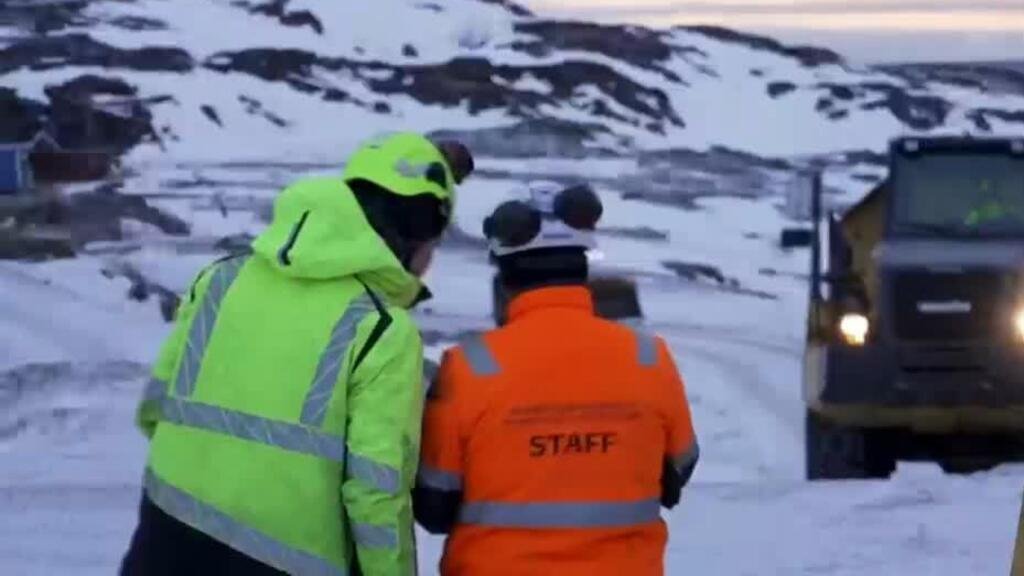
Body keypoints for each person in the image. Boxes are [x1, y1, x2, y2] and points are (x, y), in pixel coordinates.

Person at [119, 132, 474, 576]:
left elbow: (154, 408)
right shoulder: (379, 329)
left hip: (161, 544)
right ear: (415, 239)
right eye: (433, 247)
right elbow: (375, 494)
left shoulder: (220, 280)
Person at [413, 181, 699, 576]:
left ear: (505, 281)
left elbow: (434, 505)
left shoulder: (468, 367)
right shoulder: (649, 357)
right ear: (583, 272)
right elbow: (676, 473)